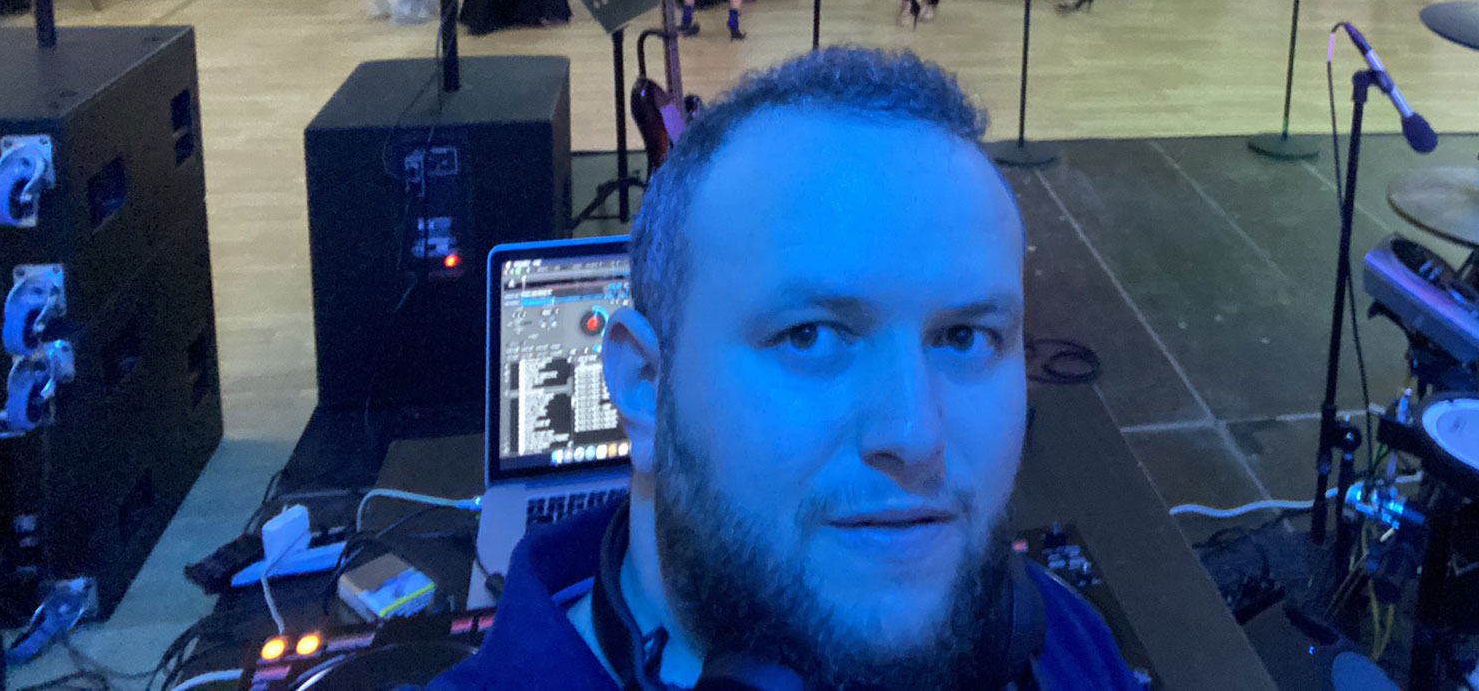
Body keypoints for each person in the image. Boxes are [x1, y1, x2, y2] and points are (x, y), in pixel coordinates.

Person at [426, 48, 1143, 691]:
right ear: (645, 385)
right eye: (810, 336)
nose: (914, 434)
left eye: (964, 337)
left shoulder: (1067, 645)